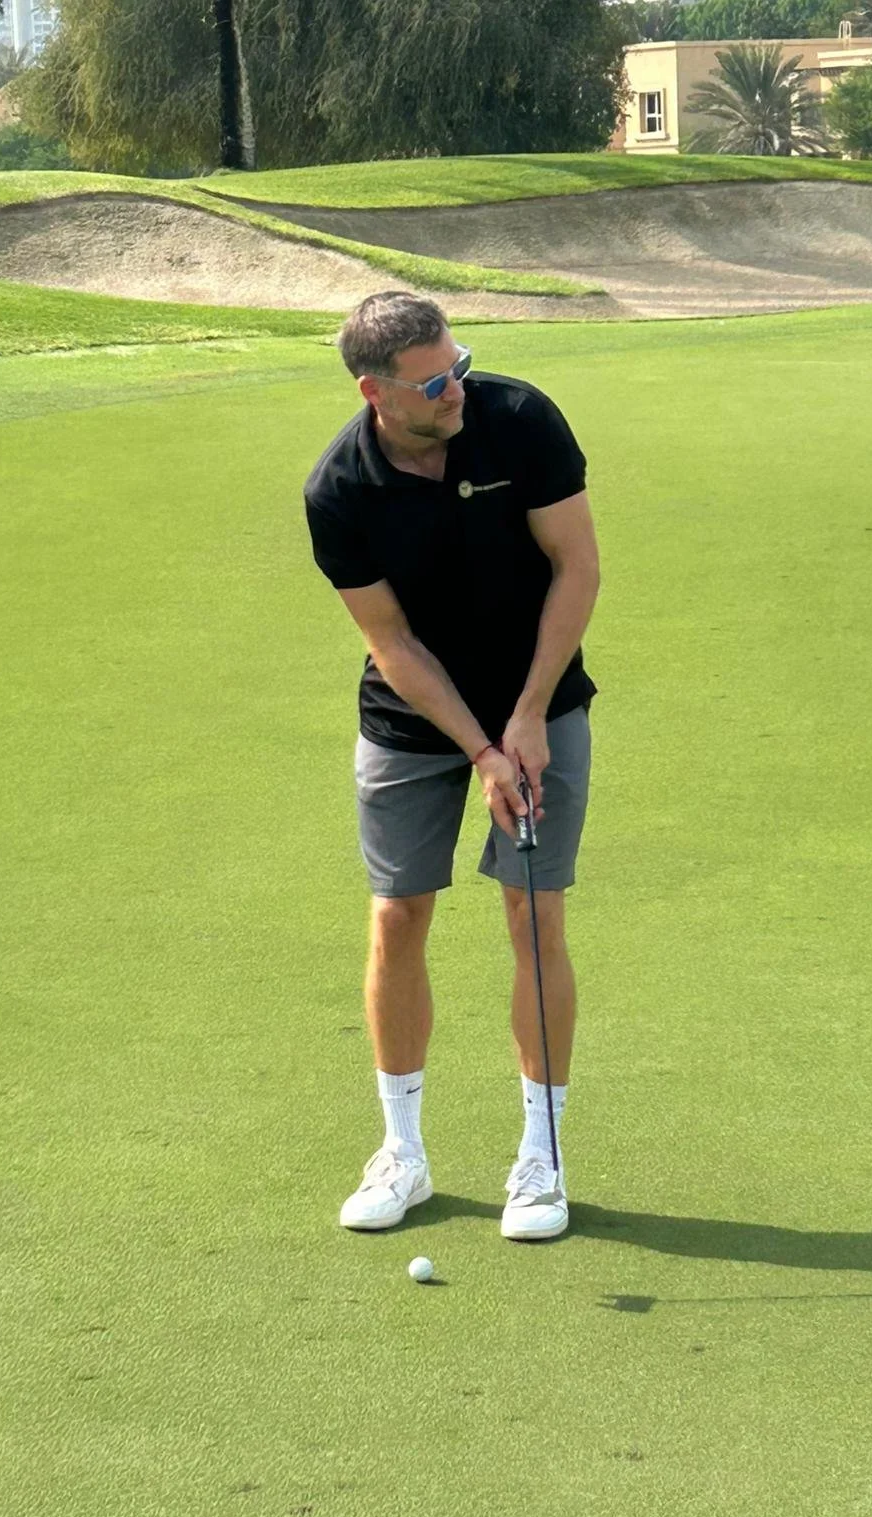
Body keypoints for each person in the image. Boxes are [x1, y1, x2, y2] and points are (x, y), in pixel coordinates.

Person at [303, 291, 600, 1242]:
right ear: (376, 392)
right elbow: (389, 640)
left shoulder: (518, 421)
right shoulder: (339, 490)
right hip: (412, 720)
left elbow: (578, 569)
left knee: (532, 910)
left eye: (459, 363)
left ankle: (541, 1162)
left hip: (540, 705)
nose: (457, 388)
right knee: (397, 917)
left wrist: (526, 717)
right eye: (435, 383)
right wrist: (478, 747)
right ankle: (404, 1153)